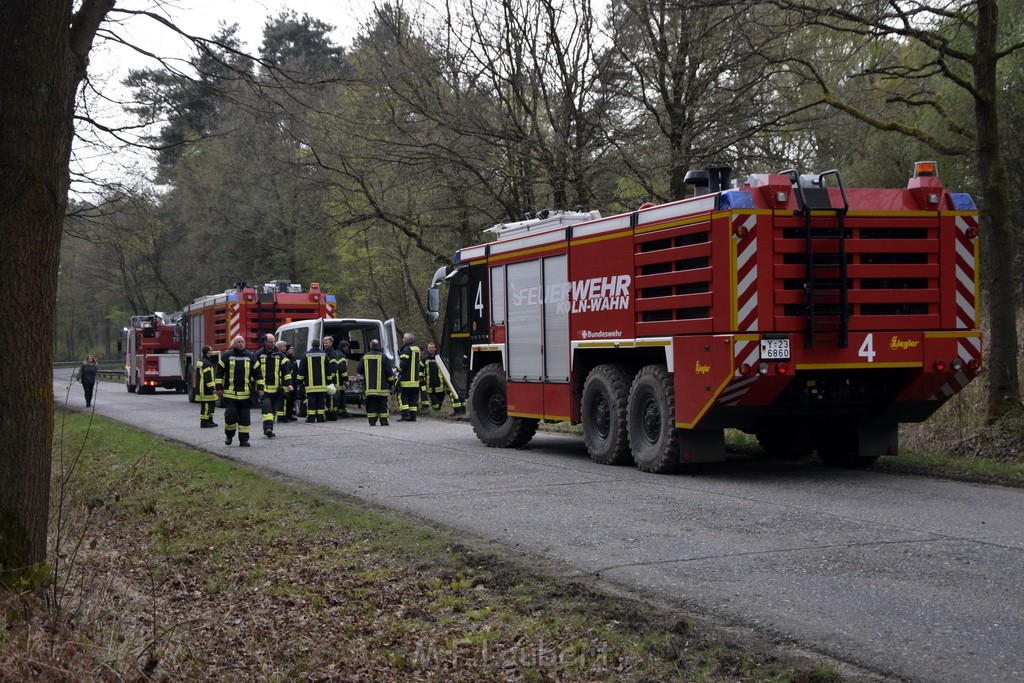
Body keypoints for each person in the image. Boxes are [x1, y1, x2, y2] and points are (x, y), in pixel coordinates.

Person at [217, 335, 264, 447]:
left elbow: (258, 374)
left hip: (245, 395)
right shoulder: (227, 356)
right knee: (230, 416)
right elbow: (219, 372)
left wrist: (261, 388)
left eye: (242, 342)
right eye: (238, 342)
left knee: (245, 418)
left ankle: (244, 440)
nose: (241, 343)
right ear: (234, 343)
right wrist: (218, 387)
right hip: (230, 394)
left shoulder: (251, 356)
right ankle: (229, 435)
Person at [254, 334, 291, 438]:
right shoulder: (258, 354)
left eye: (274, 342)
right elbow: (254, 372)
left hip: (276, 389)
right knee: (267, 407)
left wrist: (289, 384)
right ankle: (268, 428)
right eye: (270, 342)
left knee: (273, 410)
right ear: (265, 342)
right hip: (263, 389)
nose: (273, 344)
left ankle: (269, 427)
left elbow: (286, 371)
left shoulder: (279, 355)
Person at [296, 337, 331, 423]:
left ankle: (311, 418)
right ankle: (320, 418)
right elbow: (328, 370)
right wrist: (330, 381)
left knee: (311, 402)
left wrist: (299, 382)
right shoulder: (324, 355)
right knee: (320, 402)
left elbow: (301, 370)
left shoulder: (305, 355)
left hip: (310, 385)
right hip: (322, 385)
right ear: (319, 345)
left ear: (312, 345)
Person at [361, 339, 393, 426]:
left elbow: (359, 370)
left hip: (369, 388)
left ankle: (372, 421)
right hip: (382, 388)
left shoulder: (365, 357)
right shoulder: (383, 357)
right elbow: (389, 372)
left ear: (371, 346)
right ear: (379, 346)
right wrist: (391, 384)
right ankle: (383, 421)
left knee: (371, 404)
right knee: (382, 404)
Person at [397, 332, 422, 421]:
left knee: (403, 397)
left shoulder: (406, 349)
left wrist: (397, 370)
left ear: (408, 340)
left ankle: (405, 415)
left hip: (406, 379)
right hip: (415, 380)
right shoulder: (417, 349)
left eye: (404, 338)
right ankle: (413, 416)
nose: (403, 340)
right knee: (413, 398)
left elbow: (403, 364)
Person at [194, 345, 219, 428]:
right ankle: (204, 422)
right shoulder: (208, 364)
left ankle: (209, 420)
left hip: (201, 387)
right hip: (206, 389)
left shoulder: (201, 361)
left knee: (211, 405)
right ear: (208, 352)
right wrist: (213, 389)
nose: (212, 352)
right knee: (207, 406)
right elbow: (208, 378)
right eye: (211, 350)